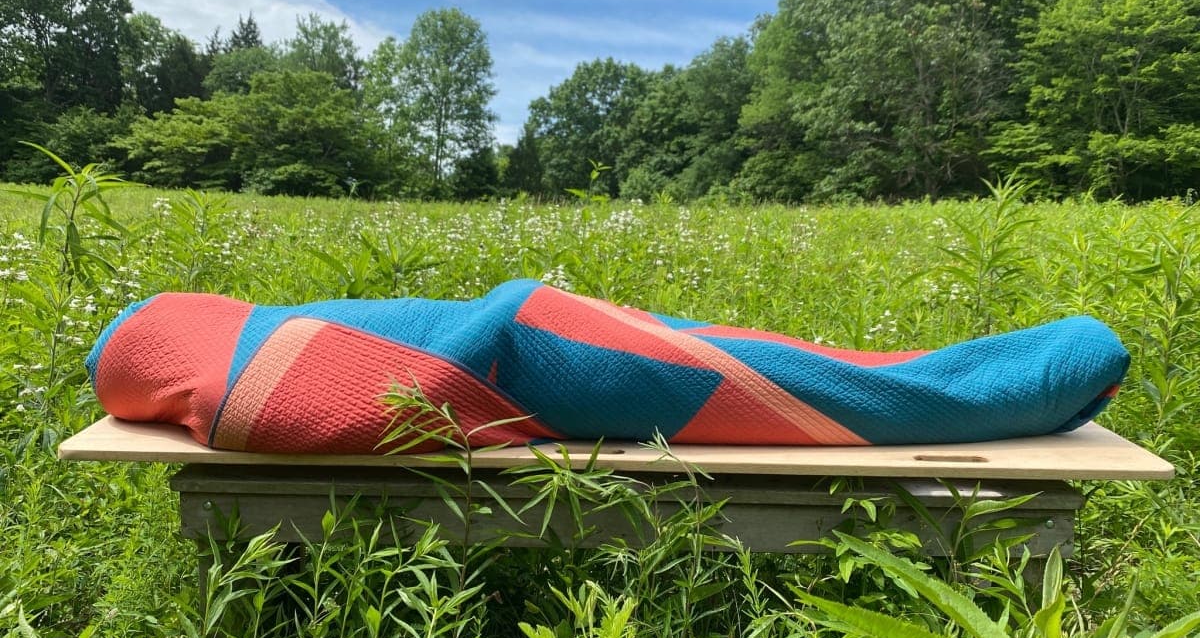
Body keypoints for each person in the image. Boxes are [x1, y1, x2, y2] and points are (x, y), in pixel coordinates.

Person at [88, 279, 1129, 454]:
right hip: (523, 342)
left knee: (754, 364)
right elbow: (294, 399)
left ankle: (953, 379)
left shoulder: (208, 339)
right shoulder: (203, 349)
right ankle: (960, 382)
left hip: (521, 330)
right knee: (788, 376)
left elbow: (274, 394)